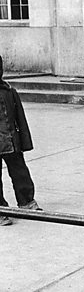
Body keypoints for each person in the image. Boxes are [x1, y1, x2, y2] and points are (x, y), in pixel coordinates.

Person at [0, 55, 41, 225]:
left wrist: (24, 141)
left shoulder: (9, 92)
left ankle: (27, 202)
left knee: (20, 173)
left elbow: (20, 120)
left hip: (11, 141)